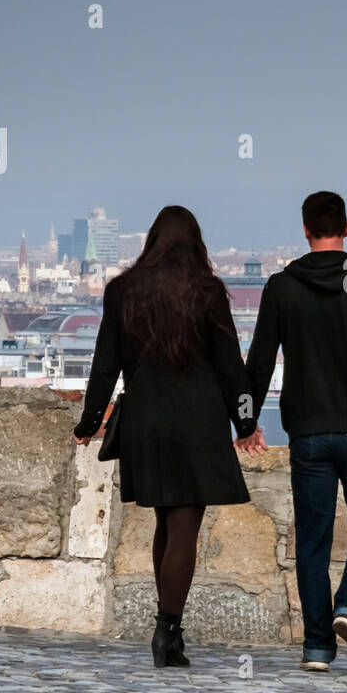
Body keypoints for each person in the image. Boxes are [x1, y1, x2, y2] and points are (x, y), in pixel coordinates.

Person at [73, 205, 265, 668]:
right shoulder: (206, 291)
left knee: (164, 521)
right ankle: (168, 631)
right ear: (196, 243)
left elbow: (106, 363)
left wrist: (89, 421)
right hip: (197, 418)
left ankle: (167, 629)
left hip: (146, 419)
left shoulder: (123, 291)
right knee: (184, 526)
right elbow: (229, 366)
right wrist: (245, 423)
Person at [244, 191, 347, 672]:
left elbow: (257, 364)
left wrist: (245, 420)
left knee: (313, 540)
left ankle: (318, 645)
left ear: (304, 230)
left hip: (309, 434)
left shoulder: (282, 287)